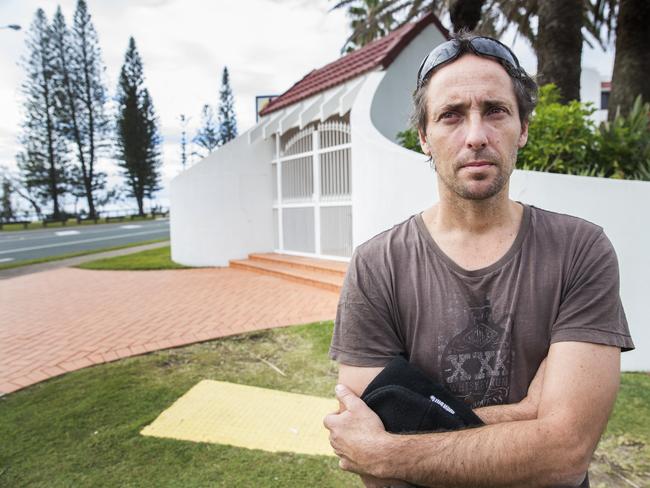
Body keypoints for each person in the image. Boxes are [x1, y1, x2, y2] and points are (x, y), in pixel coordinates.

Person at [323, 32, 634, 488]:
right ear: (425, 137)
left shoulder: (579, 250)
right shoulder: (377, 265)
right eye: (451, 115)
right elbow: (372, 463)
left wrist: (395, 450)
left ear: (522, 128)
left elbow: (566, 454)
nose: (475, 136)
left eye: (495, 111)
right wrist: (530, 415)